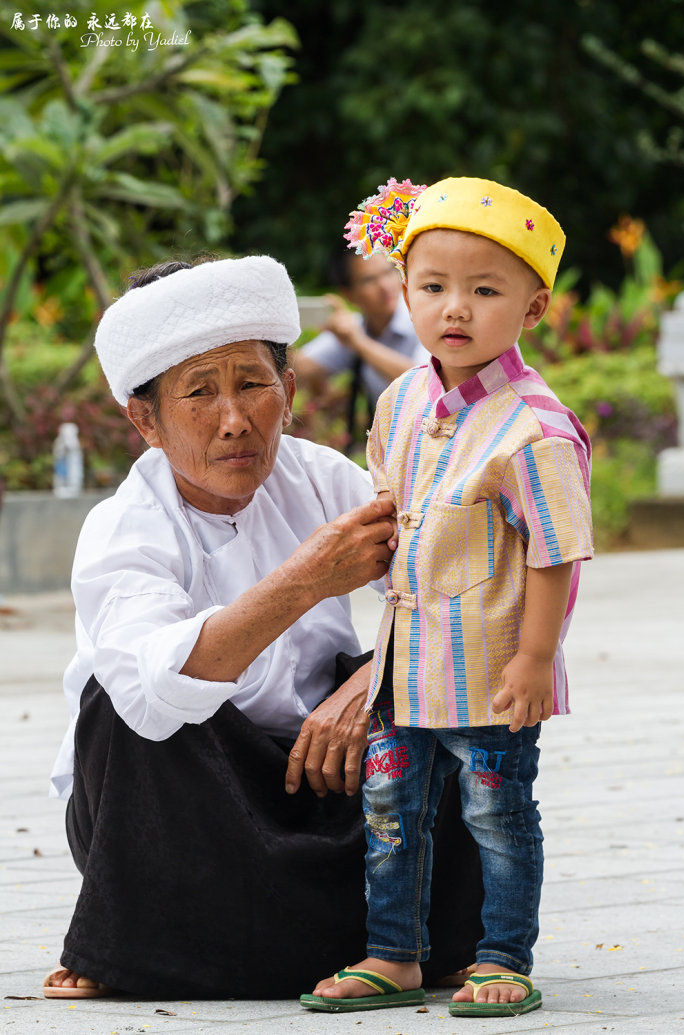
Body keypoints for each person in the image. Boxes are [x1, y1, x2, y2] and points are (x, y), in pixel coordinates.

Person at [43, 254, 484, 1000]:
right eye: (198, 394)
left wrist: (366, 686)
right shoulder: (123, 527)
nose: (235, 419)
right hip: (188, 806)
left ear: (288, 390)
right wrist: (306, 579)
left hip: (327, 774)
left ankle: (410, 939)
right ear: (144, 419)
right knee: (124, 704)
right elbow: (153, 694)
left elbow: (463, 593)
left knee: (446, 684)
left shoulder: (330, 479)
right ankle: (130, 942)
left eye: (253, 383)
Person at [302, 178, 593, 1016]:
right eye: (432, 286)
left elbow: (555, 551)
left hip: (492, 669)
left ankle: (502, 955)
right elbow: (392, 509)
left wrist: (536, 657)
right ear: (403, 290)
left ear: (533, 308)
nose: (454, 308)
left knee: (498, 816)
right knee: (389, 805)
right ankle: (393, 953)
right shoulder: (399, 402)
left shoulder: (532, 427)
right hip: (405, 668)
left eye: (484, 290)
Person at [292, 247, 427, 410]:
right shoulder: (353, 330)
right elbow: (298, 369)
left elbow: (425, 383)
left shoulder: (425, 318)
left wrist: (360, 343)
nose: (384, 286)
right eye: (369, 280)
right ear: (348, 294)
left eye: (388, 272)